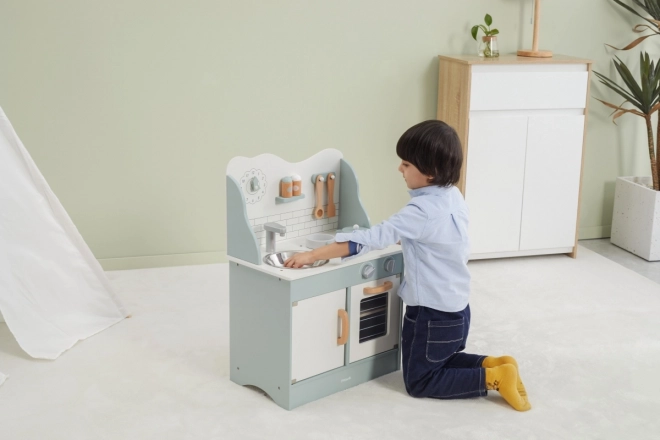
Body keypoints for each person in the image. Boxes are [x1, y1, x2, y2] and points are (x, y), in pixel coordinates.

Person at [284, 120, 530, 411]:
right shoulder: (452, 195)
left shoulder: (419, 211)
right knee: (438, 360)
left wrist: (311, 256)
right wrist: (411, 243)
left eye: (406, 164)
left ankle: (493, 377)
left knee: (420, 381)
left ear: (429, 173)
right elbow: (440, 238)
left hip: (430, 313)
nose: (400, 170)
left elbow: (370, 238)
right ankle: (495, 364)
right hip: (456, 309)